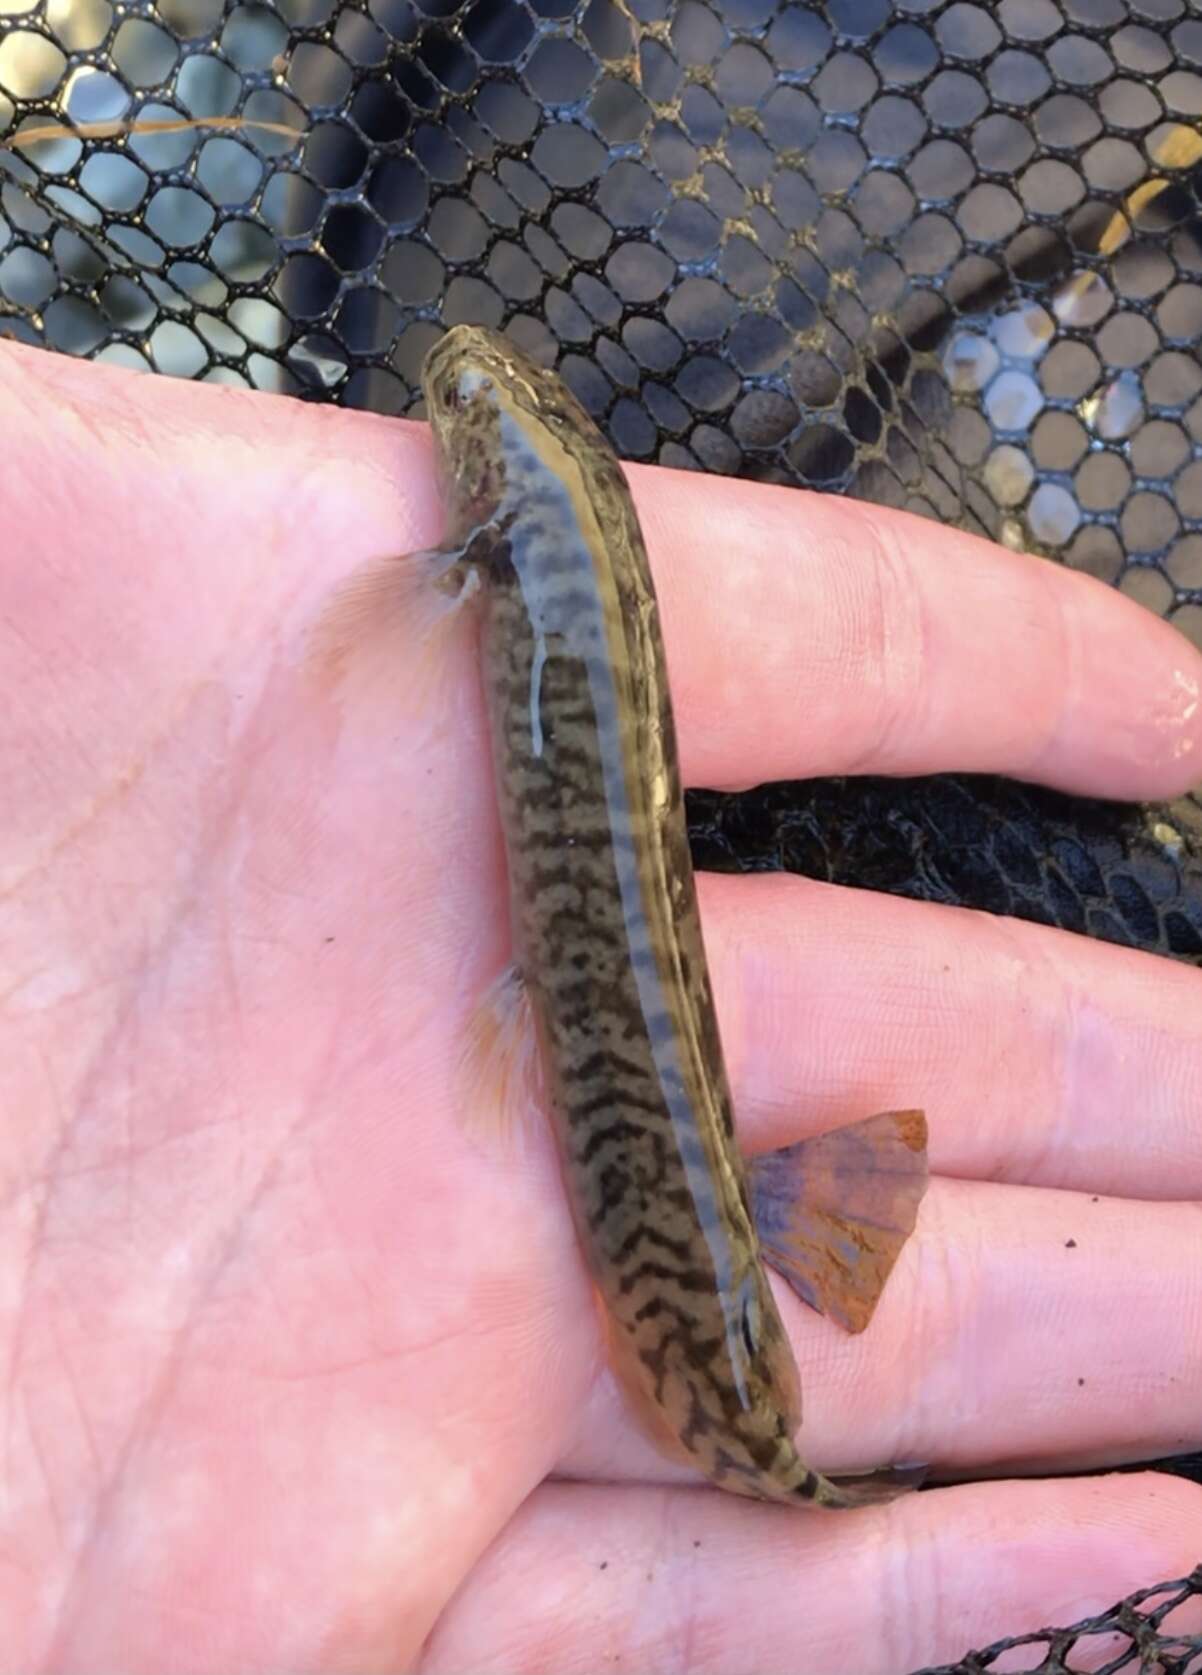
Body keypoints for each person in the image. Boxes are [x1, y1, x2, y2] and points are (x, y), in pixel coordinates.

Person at [1, 337, 1200, 1675]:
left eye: (463, 405)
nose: (450, 390)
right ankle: (794, 1447)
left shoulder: (483, 554)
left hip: (665, 1152)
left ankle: (790, 1444)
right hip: (650, 1105)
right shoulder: (536, 534)